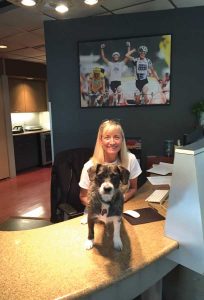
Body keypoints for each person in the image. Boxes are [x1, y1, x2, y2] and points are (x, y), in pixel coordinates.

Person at [79, 119, 142, 223]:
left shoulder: (131, 160)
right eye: (107, 137)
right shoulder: (89, 166)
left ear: (122, 140)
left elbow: (133, 188)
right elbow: (83, 197)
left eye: (116, 137)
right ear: (101, 140)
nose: (112, 142)